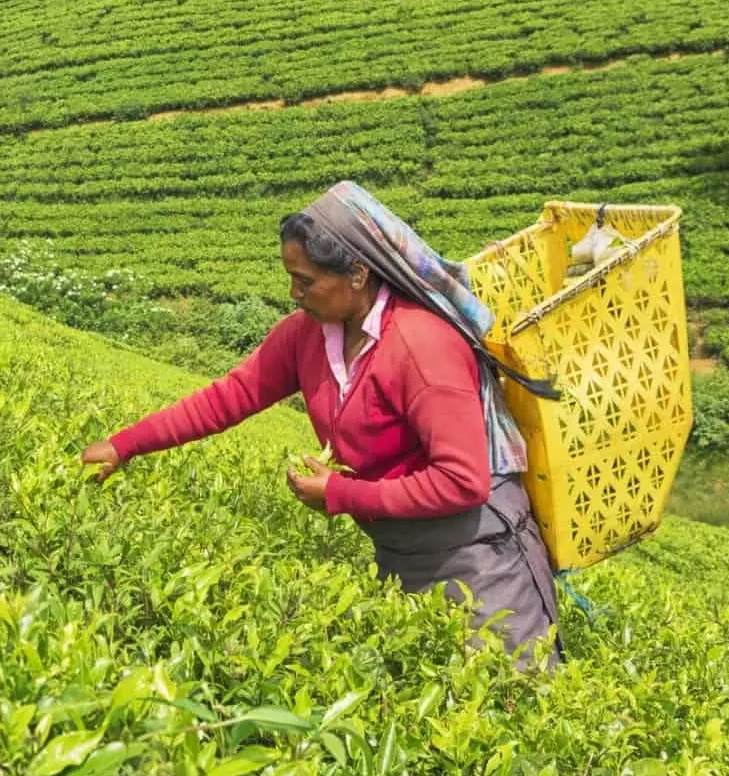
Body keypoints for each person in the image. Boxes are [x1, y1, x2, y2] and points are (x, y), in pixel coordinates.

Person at [80, 181, 562, 670]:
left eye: (305, 280)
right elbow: (227, 399)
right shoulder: (307, 337)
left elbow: (462, 482)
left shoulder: (421, 347)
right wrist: (124, 445)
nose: (294, 294)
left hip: (479, 557)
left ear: (356, 273)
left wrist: (340, 495)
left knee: (506, 693)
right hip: (399, 548)